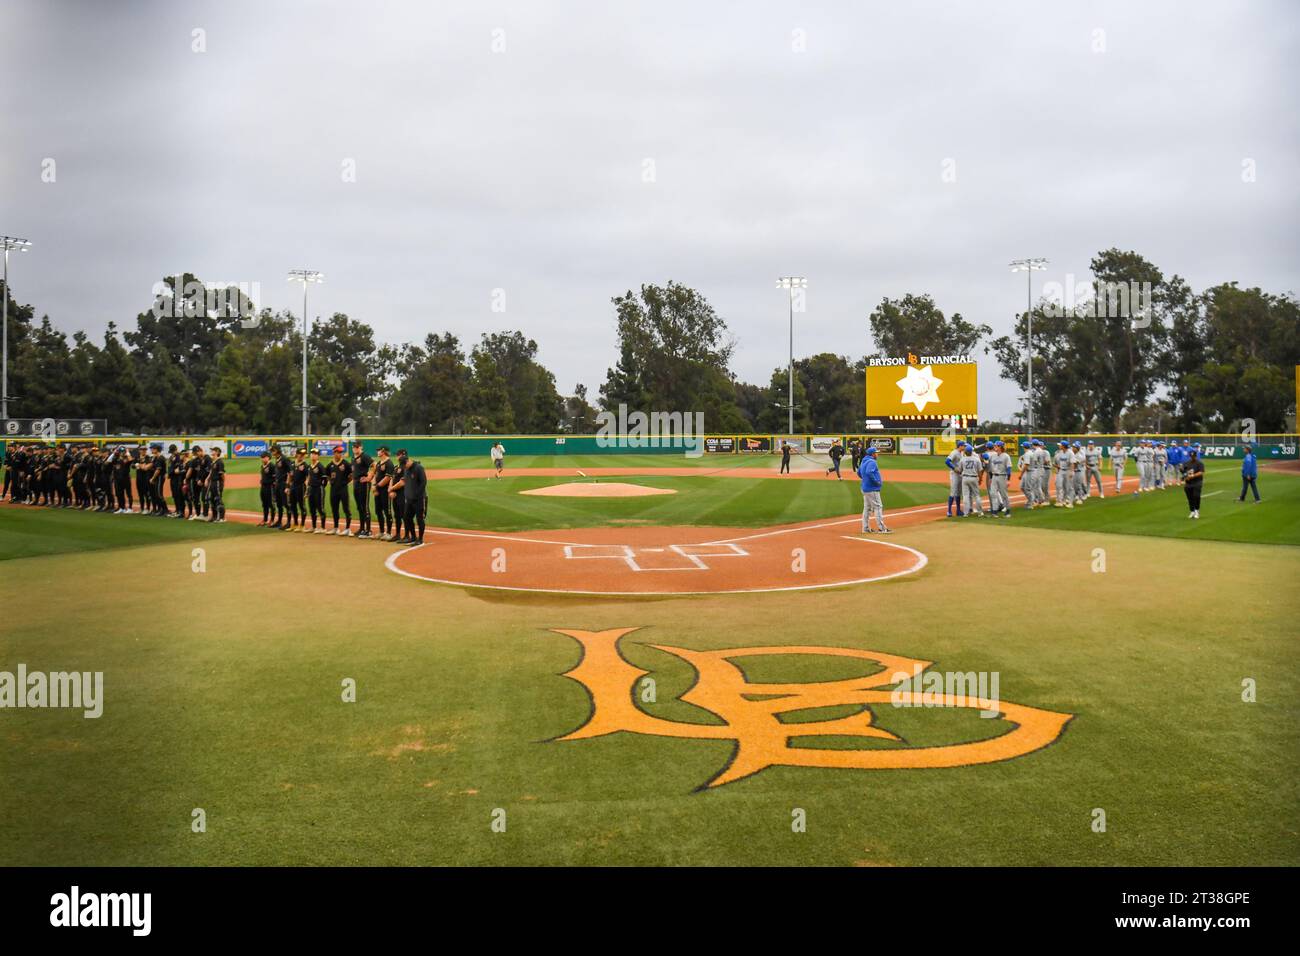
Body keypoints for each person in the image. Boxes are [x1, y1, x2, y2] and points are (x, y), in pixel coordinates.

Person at [857, 445, 889, 533]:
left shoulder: (864, 461)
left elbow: (859, 472)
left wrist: (865, 480)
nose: (877, 455)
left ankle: (865, 528)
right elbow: (869, 472)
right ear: (872, 454)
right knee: (878, 506)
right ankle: (882, 528)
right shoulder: (872, 462)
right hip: (872, 488)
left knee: (867, 508)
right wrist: (876, 482)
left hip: (865, 488)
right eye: (876, 453)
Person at [325, 445, 353, 535]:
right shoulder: (330, 465)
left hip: (343, 489)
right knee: (334, 509)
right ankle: (336, 528)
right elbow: (327, 475)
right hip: (334, 489)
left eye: (341, 452)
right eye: (338, 452)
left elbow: (351, 475)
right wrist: (331, 481)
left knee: (346, 508)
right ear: (334, 453)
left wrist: (345, 482)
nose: (340, 454)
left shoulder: (346, 463)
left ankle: (348, 528)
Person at [402, 452, 428, 545]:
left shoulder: (418, 468)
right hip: (409, 499)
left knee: (419, 519)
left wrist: (416, 495)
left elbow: (423, 482)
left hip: (419, 499)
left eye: (405, 465)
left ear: (408, 461)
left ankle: (420, 539)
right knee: (406, 518)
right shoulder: (406, 469)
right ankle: (413, 537)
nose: (404, 467)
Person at [372, 446, 395, 540]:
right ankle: (381, 531)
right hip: (378, 490)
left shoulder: (389, 463)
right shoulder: (378, 463)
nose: (377, 452)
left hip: (385, 491)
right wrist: (374, 486)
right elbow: (375, 475)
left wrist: (376, 486)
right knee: (378, 511)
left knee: (387, 511)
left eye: (379, 450)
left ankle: (389, 533)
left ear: (383, 451)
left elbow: (387, 478)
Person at [352, 440, 373, 538]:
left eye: (357, 447)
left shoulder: (364, 456)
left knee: (365, 507)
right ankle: (362, 528)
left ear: (361, 447)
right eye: (354, 447)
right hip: (356, 483)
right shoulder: (353, 457)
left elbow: (374, 465)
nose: (355, 448)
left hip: (364, 484)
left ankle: (368, 530)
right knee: (359, 507)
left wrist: (369, 478)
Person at [987, 440, 1012, 516]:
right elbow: (991, 468)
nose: (995, 447)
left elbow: (1009, 468)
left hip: (1002, 477)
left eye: (996, 446)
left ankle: (1008, 511)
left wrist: (1008, 480)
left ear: (1000, 447)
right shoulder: (993, 456)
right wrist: (991, 478)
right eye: (994, 446)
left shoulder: (1006, 456)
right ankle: (994, 511)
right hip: (994, 477)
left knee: (1004, 495)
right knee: (993, 494)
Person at [958, 443, 984, 516]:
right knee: (976, 495)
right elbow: (980, 471)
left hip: (965, 478)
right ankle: (980, 512)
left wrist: (954, 469)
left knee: (965, 496)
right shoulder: (976, 459)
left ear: (965, 452)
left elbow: (960, 470)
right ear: (971, 452)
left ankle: (966, 513)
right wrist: (980, 479)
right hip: (974, 478)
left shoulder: (962, 459)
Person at [1181, 445, 1205, 518]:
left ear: (1195, 456)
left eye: (1193, 456)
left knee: (1196, 496)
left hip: (1197, 482)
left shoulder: (1199, 463)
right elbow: (1184, 472)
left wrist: (1193, 476)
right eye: (1191, 456)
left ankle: (1197, 510)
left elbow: (1201, 472)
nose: (1192, 457)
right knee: (1189, 498)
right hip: (1188, 483)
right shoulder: (1186, 463)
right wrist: (1185, 476)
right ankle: (1192, 511)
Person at [306, 449, 327, 533]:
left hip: (318, 489)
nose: (313, 455)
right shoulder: (309, 466)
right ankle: (314, 527)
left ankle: (323, 527)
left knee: (320, 508)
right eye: (312, 454)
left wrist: (321, 487)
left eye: (315, 454)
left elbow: (325, 479)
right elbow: (309, 478)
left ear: (318, 456)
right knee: (312, 508)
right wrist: (308, 490)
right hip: (311, 489)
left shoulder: (320, 466)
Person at [289, 448, 309, 530]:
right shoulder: (292, 464)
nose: (301, 456)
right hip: (293, 486)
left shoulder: (305, 465)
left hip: (301, 487)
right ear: (297, 454)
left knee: (301, 505)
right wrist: (288, 486)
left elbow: (308, 477)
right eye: (300, 454)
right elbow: (290, 475)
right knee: (293, 505)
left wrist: (307, 488)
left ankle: (302, 525)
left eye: (303, 455)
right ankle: (295, 524)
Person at [944, 441, 965, 517]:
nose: (964, 447)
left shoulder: (961, 453)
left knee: (959, 493)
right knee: (953, 492)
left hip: (960, 474)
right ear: (960, 446)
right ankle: (949, 511)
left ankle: (958, 510)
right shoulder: (954, 452)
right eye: (963, 446)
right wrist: (954, 468)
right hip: (954, 475)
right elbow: (947, 461)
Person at [207, 446, 226, 522]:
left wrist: (223, 483)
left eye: (213, 451)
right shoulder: (213, 461)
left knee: (218, 499)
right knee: (212, 500)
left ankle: (221, 517)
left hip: (218, 482)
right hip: (212, 482)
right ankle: (214, 516)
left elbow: (222, 474)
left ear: (217, 452)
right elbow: (211, 472)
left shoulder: (220, 462)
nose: (212, 452)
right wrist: (207, 479)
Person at [257, 451, 275, 525]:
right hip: (263, 487)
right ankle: (265, 520)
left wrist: (273, 486)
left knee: (271, 504)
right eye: (261, 457)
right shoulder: (262, 466)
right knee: (264, 504)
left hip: (270, 487)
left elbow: (275, 477)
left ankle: (272, 520)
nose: (262, 459)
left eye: (264, 457)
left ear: (268, 457)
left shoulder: (272, 466)